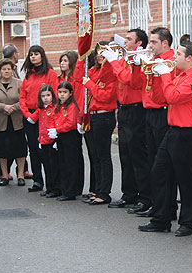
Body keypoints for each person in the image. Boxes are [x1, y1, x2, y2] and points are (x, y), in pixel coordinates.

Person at [138, 41, 192, 236]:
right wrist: (156, 76)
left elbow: (174, 97)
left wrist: (165, 75)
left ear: (189, 58)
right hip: (173, 130)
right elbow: (162, 97)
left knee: (187, 179)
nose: (174, 57)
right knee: (159, 172)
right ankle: (161, 218)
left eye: (178, 54)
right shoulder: (180, 75)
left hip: (188, 133)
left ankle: (188, 222)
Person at [130, 27, 176, 217]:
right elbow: (137, 84)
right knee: (153, 161)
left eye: (154, 42)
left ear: (165, 43)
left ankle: (166, 208)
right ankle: (158, 205)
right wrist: (137, 65)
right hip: (149, 112)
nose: (150, 46)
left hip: (163, 113)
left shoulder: (171, 61)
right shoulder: (153, 59)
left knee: (163, 165)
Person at [102, 29, 151, 210]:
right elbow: (110, 77)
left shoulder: (140, 59)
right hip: (123, 109)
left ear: (139, 43)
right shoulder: (124, 58)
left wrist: (115, 61)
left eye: (129, 39)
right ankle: (129, 193)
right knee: (125, 154)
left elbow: (131, 80)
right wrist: (111, 60)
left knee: (138, 155)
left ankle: (144, 196)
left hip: (137, 110)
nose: (125, 42)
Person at [77, 43, 118, 205]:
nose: (99, 56)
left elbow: (105, 96)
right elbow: (78, 76)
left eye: (103, 53)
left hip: (103, 117)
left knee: (103, 155)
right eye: (97, 53)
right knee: (94, 155)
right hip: (90, 116)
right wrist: (81, 56)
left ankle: (104, 192)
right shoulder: (93, 71)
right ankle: (97, 188)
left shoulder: (111, 74)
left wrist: (90, 84)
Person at [19, 45, 58, 192]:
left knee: (46, 151)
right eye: (31, 55)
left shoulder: (50, 74)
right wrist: (27, 115)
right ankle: (37, 180)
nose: (33, 57)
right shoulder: (29, 75)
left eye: (36, 54)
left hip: (44, 116)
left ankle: (51, 183)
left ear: (42, 55)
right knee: (33, 150)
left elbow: (52, 97)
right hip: (29, 117)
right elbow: (22, 96)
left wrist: (35, 116)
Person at [0, 58, 27, 186]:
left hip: (17, 121)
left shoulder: (19, 83)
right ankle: (4, 174)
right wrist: (4, 107)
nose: (7, 71)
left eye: (9, 69)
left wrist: (13, 107)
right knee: (2, 150)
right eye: (4, 69)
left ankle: (20, 175)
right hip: (1, 121)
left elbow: (25, 100)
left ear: (12, 70)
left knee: (20, 149)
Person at [57, 50, 86, 196]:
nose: (62, 63)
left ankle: (74, 187)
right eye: (61, 60)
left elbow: (79, 97)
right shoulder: (60, 78)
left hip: (73, 117)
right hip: (61, 118)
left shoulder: (76, 78)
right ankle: (65, 186)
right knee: (63, 157)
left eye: (65, 60)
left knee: (73, 156)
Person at [54, 81, 83, 201]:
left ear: (70, 93)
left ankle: (71, 190)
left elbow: (70, 123)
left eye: (65, 92)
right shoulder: (59, 106)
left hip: (70, 136)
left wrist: (58, 129)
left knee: (71, 163)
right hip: (61, 135)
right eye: (60, 92)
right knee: (63, 162)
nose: (62, 95)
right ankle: (64, 188)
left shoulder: (72, 106)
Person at [29, 84, 60, 198]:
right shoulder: (41, 109)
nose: (46, 98)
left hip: (51, 140)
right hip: (43, 140)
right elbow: (35, 121)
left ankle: (56, 188)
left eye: (48, 95)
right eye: (43, 96)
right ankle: (49, 187)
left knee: (53, 166)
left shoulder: (55, 108)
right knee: (46, 165)